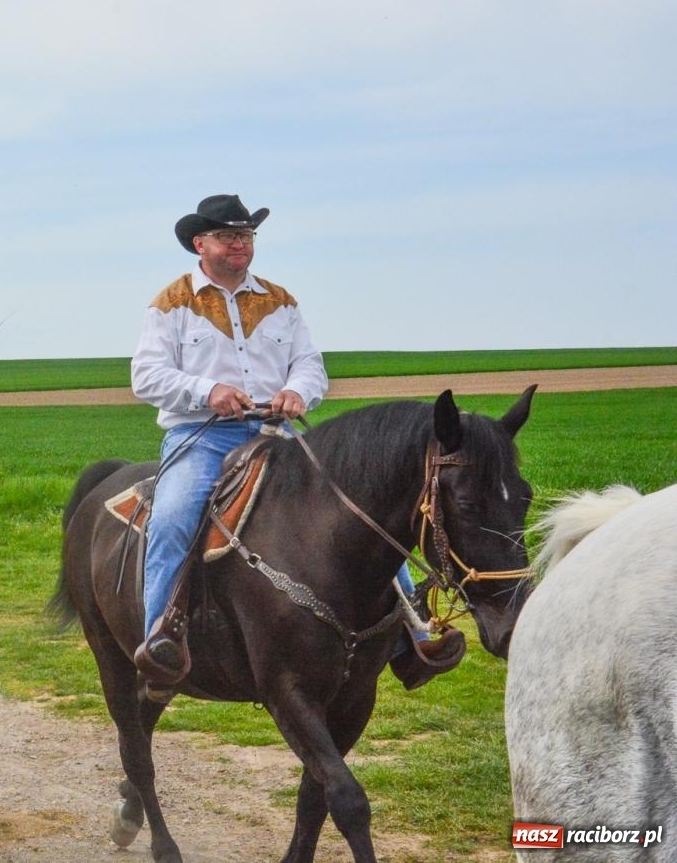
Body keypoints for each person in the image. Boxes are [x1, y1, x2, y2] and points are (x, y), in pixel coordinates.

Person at [130, 194, 459, 690]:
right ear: (201, 243)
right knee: (174, 517)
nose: (239, 243)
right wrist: (208, 391)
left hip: (275, 434)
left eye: (246, 236)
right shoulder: (171, 304)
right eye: (227, 235)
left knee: (360, 508)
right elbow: (146, 376)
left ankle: (411, 634)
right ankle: (162, 641)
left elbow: (311, 364)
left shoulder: (280, 301)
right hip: (201, 438)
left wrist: (295, 392)